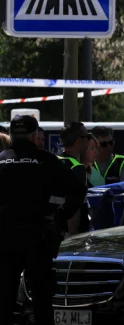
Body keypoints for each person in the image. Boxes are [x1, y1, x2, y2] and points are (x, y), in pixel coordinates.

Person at [0, 115, 85, 325]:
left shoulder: (1, 159)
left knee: (3, 300)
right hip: (37, 238)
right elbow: (77, 189)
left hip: (4, 239)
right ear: (34, 135)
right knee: (42, 301)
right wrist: (60, 216)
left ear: (11, 135)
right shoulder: (46, 160)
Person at [58, 123, 91, 234]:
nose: (89, 140)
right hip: (70, 236)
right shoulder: (77, 168)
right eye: (88, 137)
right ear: (78, 140)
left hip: (54, 231)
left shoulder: (53, 161)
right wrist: (73, 241)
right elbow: (75, 208)